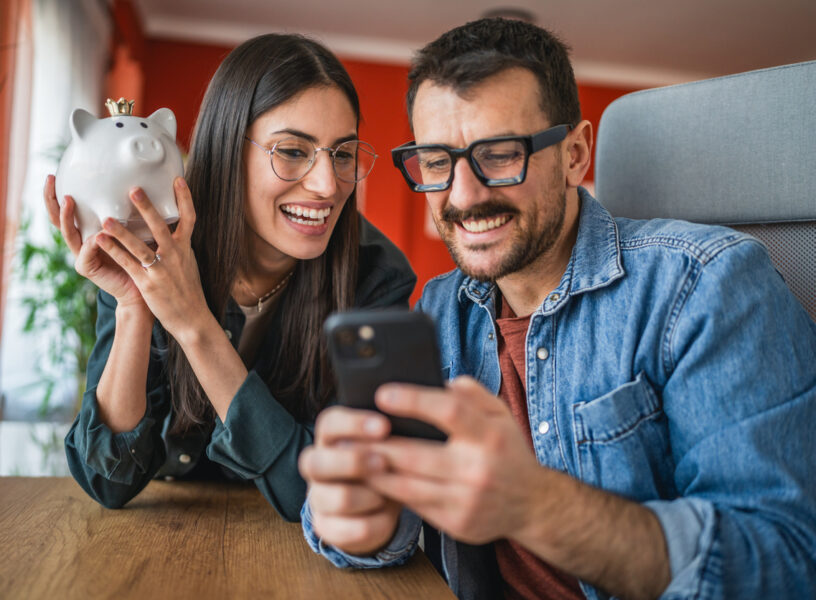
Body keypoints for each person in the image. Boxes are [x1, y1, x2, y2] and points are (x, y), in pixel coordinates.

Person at [298, 17, 816, 599]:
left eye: (498, 154)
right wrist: (361, 521)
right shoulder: (440, 308)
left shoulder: (705, 285)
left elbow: (786, 563)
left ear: (574, 154)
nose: (463, 197)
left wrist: (539, 507)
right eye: (438, 163)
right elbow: (388, 515)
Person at [44, 33, 416, 520]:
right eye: (292, 151)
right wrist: (135, 304)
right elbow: (106, 479)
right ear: (226, 150)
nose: (328, 186)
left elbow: (336, 496)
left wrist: (196, 327)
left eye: (342, 154)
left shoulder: (377, 277)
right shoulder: (154, 245)